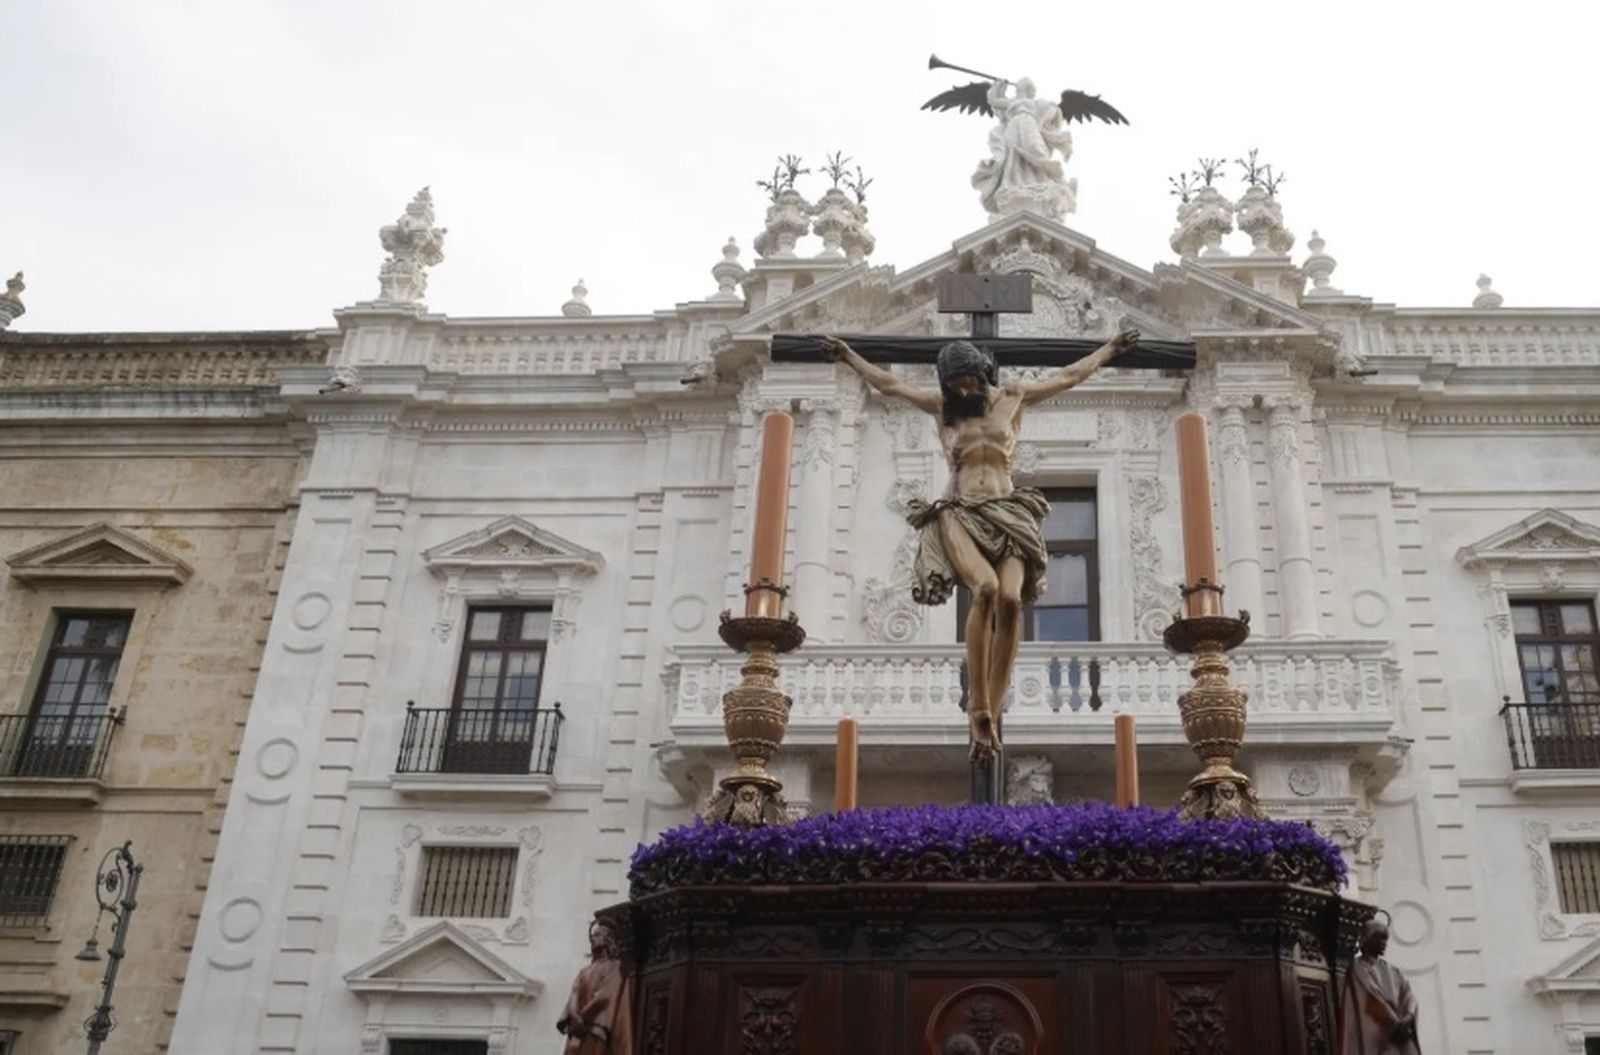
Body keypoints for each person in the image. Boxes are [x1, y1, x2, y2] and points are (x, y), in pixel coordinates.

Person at [820, 330, 1138, 758]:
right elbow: (890, 385)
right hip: (961, 512)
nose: (961, 390)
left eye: (966, 380)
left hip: (1008, 512)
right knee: (985, 591)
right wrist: (849, 357)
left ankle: (994, 701)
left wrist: (1109, 350)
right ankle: (977, 705)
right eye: (953, 384)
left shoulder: (1014, 397)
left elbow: (1068, 376)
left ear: (981, 371)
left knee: (1010, 600)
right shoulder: (943, 411)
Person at [972, 78, 1076, 218]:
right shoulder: (1013, 102)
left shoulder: (1037, 103)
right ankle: (1014, 184)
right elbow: (995, 101)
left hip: (1029, 125)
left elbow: (1051, 111)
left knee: (1036, 150)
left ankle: (1042, 179)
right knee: (1013, 155)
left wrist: (1052, 109)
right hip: (1014, 127)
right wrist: (999, 87)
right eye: (1026, 88)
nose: (1030, 91)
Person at [1339, 917, 1421, 1054]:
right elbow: (1371, 997)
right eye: (1380, 938)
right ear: (1367, 939)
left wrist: (1409, 1015)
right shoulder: (1359, 967)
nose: (1384, 943)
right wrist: (1396, 1024)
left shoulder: (1393, 970)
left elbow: (1408, 994)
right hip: (1381, 1035)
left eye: (1385, 939)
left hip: (1400, 1030)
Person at [557, 920, 634, 1054]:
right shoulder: (583, 971)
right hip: (577, 1035)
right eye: (592, 935)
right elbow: (573, 995)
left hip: (595, 1031)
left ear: (608, 940)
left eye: (597, 935)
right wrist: (574, 1015)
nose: (593, 938)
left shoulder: (615, 966)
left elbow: (606, 996)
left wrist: (581, 1017)